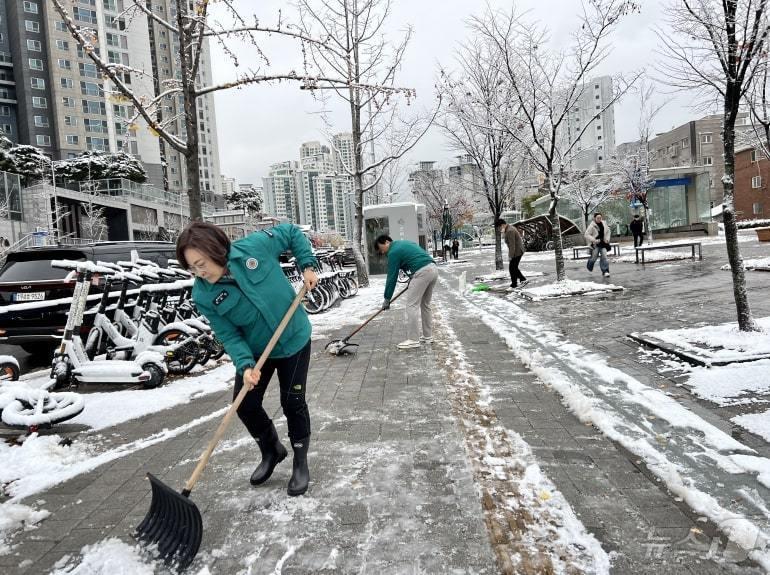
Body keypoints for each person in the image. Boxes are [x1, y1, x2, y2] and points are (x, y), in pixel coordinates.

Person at [176, 221, 319, 497]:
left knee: (293, 402)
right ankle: (271, 449)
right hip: (255, 351)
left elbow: (290, 232)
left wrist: (307, 265)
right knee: (245, 405)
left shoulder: (254, 247)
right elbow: (228, 334)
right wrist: (246, 365)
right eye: (192, 267)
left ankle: (300, 463)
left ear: (216, 250)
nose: (199, 272)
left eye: (201, 263)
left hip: (293, 339)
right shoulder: (203, 294)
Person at [375, 234, 438, 349]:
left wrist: (387, 298)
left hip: (422, 272)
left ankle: (414, 340)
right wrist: (412, 276)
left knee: (411, 305)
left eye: (380, 249)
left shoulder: (393, 252)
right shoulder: (404, 243)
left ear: (386, 242)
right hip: (433, 268)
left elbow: (392, 277)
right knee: (425, 305)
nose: (382, 252)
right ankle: (428, 336)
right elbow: (415, 257)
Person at [496, 219, 527, 289]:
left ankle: (520, 281)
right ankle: (516, 283)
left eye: (499, 227)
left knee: (512, 268)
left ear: (502, 225)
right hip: (517, 250)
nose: (499, 229)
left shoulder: (510, 231)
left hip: (517, 251)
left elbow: (512, 245)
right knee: (513, 268)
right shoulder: (508, 228)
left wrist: (510, 256)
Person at [585, 212, 611, 277]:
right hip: (595, 244)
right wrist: (594, 240)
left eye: (600, 218)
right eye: (598, 218)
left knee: (604, 257)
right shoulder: (591, 226)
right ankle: (589, 266)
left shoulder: (604, 224)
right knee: (594, 257)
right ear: (595, 218)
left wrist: (607, 239)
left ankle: (605, 271)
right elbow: (586, 235)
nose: (599, 219)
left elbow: (608, 232)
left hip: (603, 243)